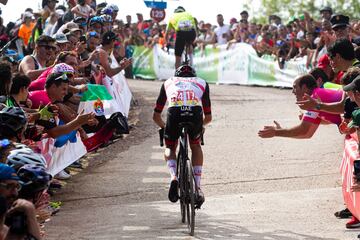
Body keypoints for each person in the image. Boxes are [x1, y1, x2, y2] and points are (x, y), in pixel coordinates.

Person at [153, 64, 212, 207]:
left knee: (170, 147)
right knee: (196, 145)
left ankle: (173, 176)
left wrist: (165, 128)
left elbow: (156, 116)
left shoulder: (168, 82)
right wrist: (201, 127)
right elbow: (208, 116)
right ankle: (197, 187)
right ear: (194, 76)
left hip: (175, 113)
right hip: (195, 113)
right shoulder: (202, 82)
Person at [258, 74, 343, 139]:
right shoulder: (315, 97)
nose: (293, 92)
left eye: (295, 87)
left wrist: (276, 132)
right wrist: (279, 131)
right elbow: (307, 134)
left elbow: (303, 130)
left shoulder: (315, 96)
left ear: (305, 88)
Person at [0, 163, 42, 240]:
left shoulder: (5, 228)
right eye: (9, 186)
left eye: (17, 187)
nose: (15, 193)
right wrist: (31, 214)